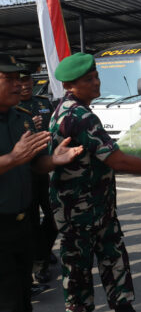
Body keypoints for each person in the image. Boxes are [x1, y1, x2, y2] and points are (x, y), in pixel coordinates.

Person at [49, 52, 141, 312]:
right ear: (68, 85)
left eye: (96, 76)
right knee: (83, 272)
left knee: (109, 260)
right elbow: (117, 160)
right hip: (82, 212)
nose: (96, 83)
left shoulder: (66, 110)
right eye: (88, 79)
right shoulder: (81, 117)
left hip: (93, 208)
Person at [0, 53, 83, 312]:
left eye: (19, 78)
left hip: (23, 225)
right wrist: (12, 158)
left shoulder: (22, 117)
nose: (18, 85)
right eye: (9, 79)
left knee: (23, 297)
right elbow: (17, 159)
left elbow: (35, 163)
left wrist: (55, 160)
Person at [17, 65, 59, 288]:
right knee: (31, 222)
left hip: (44, 170)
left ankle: (43, 250)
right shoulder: (13, 111)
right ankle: (38, 264)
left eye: (27, 81)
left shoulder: (43, 103)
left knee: (54, 216)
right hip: (23, 174)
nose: (24, 86)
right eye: (19, 82)